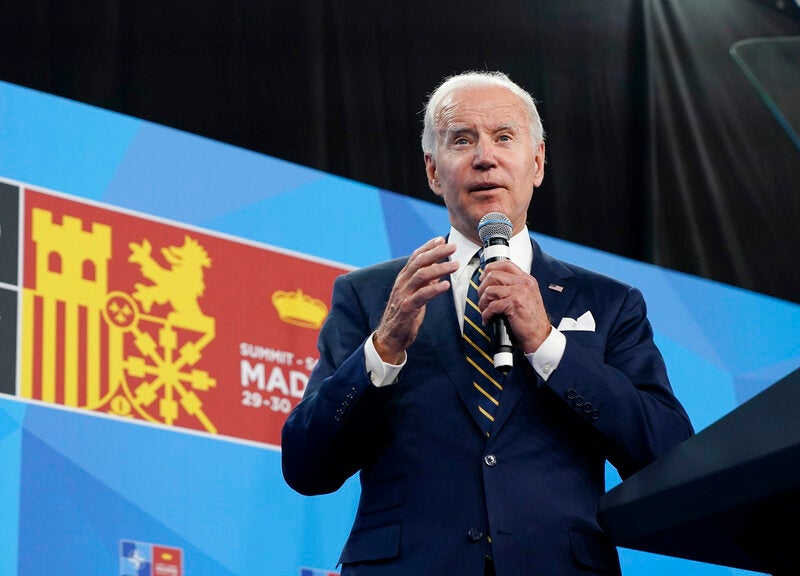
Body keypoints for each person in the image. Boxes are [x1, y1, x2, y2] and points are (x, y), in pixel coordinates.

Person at [280, 70, 695, 575]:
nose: (484, 157)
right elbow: (306, 466)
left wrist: (549, 346)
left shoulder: (609, 302)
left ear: (537, 162)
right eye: (462, 140)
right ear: (434, 171)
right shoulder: (370, 296)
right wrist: (383, 348)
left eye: (504, 137)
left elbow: (669, 453)